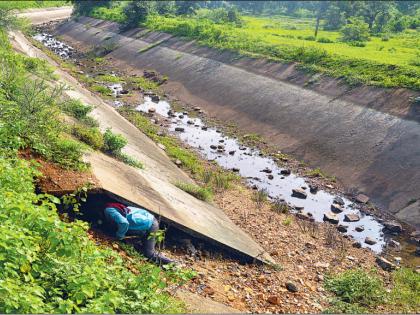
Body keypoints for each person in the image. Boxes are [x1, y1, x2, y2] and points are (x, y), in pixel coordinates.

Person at [104, 202, 173, 265]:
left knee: (149, 253)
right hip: (147, 220)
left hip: (150, 224)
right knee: (142, 247)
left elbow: (124, 223)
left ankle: (172, 263)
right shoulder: (113, 206)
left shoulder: (109, 210)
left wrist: (119, 236)